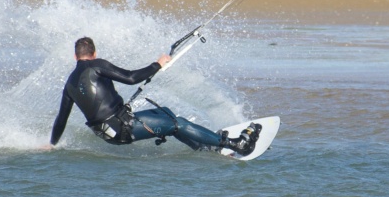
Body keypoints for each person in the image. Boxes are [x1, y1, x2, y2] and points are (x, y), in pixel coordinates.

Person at [49, 36, 260, 155]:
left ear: (75, 56)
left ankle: (203, 147)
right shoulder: (98, 65)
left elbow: (61, 120)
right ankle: (235, 145)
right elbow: (131, 78)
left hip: (106, 133)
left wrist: (53, 144)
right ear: (93, 53)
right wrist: (157, 64)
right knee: (178, 124)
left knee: (166, 114)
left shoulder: (69, 84)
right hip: (122, 128)